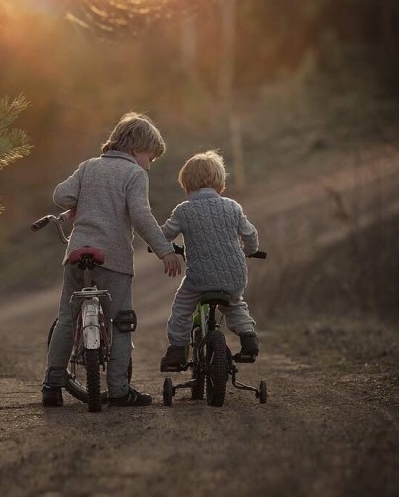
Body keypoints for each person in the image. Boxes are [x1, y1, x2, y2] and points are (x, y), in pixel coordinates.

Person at [42, 112, 182, 407]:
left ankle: (52, 386)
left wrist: (81, 202)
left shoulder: (88, 166)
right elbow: (142, 217)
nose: (149, 164)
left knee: (67, 320)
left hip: (76, 256)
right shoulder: (134, 174)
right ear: (134, 149)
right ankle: (118, 390)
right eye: (149, 157)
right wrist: (165, 250)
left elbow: (60, 195)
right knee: (121, 322)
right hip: (113, 260)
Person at [159, 150, 260, 372]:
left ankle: (177, 350)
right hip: (234, 274)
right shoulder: (232, 207)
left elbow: (163, 235)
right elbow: (250, 235)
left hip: (200, 278)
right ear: (220, 183)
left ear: (186, 185)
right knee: (234, 305)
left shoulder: (184, 211)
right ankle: (249, 338)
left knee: (182, 309)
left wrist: (159, 247)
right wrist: (249, 251)